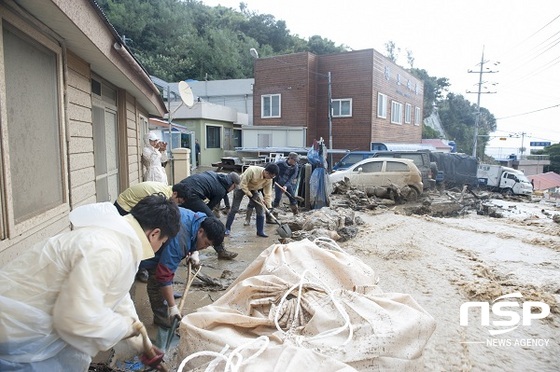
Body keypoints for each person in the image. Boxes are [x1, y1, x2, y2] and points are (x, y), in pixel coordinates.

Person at [0, 195, 181, 371]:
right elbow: (77, 319)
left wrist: (142, 343)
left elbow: (117, 297)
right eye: (163, 242)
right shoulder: (106, 249)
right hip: (15, 330)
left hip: (29, 327)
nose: (159, 248)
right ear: (155, 233)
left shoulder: (118, 242)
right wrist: (125, 328)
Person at [139, 208, 225, 330]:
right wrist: (173, 307)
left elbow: (191, 238)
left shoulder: (199, 219)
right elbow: (164, 275)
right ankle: (162, 317)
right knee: (158, 280)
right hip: (141, 242)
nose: (205, 247)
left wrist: (194, 251)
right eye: (206, 243)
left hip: (154, 233)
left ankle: (165, 304)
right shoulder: (180, 240)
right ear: (200, 232)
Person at [177, 171, 241, 259]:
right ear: (232, 184)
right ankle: (221, 251)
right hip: (192, 194)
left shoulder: (216, 176)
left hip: (182, 188)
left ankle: (184, 246)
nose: (232, 190)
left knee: (183, 217)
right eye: (233, 188)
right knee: (214, 223)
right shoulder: (221, 189)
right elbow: (209, 208)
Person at [225, 163, 279, 238]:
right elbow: (243, 184)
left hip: (254, 189)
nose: (271, 178)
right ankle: (227, 229)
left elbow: (268, 194)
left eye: (273, 177)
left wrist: (269, 206)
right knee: (234, 209)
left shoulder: (269, 179)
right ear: (266, 172)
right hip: (241, 187)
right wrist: (250, 195)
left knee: (260, 209)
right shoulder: (252, 170)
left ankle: (260, 232)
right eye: (270, 176)